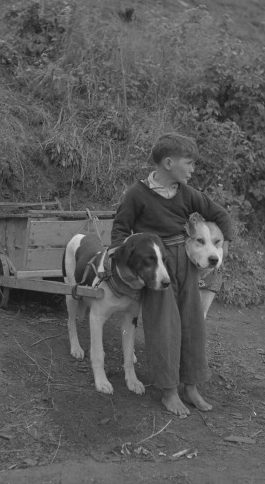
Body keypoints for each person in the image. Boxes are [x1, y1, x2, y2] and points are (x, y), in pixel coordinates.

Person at [110, 133, 234, 417]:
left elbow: (222, 216)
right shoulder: (137, 195)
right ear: (168, 163)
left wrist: (222, 247)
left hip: (186, 266)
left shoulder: (188, 193)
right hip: (157, 267)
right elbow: (120, 231)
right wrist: (129, 262)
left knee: (192, 324)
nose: (192, 170)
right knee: (164, 326)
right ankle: (168, 391)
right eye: (189, 164)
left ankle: (190, 386)